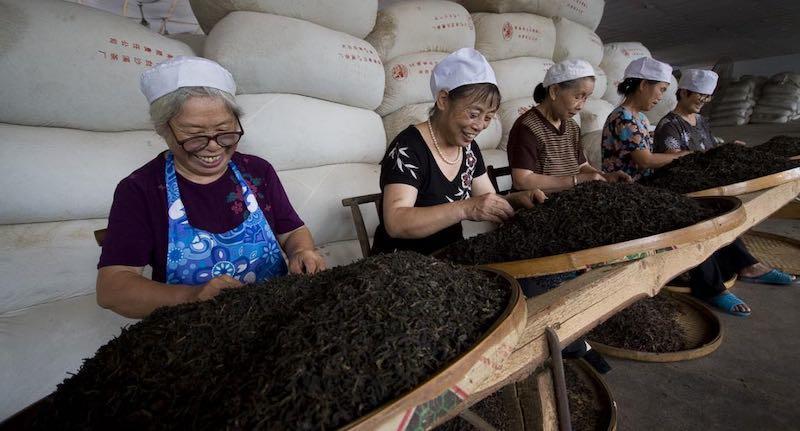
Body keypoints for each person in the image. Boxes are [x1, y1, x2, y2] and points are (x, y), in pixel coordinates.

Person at [97, 57, 325, 318]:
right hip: (195, 326)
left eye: (224, 130)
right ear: (164, 131)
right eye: (195, 135)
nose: (214, 146)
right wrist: (192, 297)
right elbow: (112, 288)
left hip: (277, 315)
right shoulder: (140, 189)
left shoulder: (257, 172)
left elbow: (292, 230)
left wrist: (301, 251)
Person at [372, 48, 546, 255]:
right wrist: (465, 207)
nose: (480, 126)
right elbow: (397, 222)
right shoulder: (408, 149)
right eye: (474, 114)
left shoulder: (469, 149)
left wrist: (515, 200)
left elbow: (486, 200)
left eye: (488, 118)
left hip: (450, 259)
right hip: (401, 266)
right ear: (443, 100)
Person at [651, 68, 797, 316]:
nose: (703, 102)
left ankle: (749, 265)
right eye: (699, 95)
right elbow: (676, 163)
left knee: (728, 213)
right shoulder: (669, 125)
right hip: (679, 189)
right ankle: (710, 287)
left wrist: (727, 149)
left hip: (705, 184)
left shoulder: (702, 121)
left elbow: (710, 150)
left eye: (707, 97)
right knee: (703, 221)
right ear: (684, 92)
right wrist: (709, 156)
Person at [508, 59, 631, 193]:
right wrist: (576, 181)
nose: (581, 106)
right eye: (578, 97)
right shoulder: (527, 127)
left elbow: (582, 166)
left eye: (586, 98)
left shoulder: (572, 126)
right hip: (541, 205)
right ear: (554, 91)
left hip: (570, 200)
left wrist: (605, 177)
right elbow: (522, 181)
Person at [601, 57, 690, 181]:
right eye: (661, 89)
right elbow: (645, 160)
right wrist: (683, 156)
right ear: (643, 85)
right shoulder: (623, 117)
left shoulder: (640, 117)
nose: (661, 97)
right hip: (626, 189)